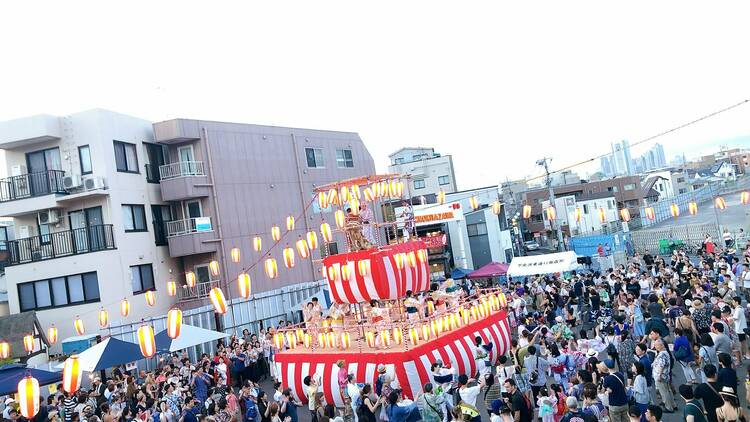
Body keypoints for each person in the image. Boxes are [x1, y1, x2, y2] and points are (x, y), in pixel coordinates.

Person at [651, 339, 676, 413]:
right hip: (665, 375)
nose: (655, 346)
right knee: (668, 390)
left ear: (662, 345)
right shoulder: (665, 352)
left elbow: (661, 366)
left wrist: (659, 375)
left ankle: (668, 407)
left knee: (664, 392)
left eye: (656, 345)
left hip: (661, 376)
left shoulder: (662, 354)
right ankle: (673, 405)